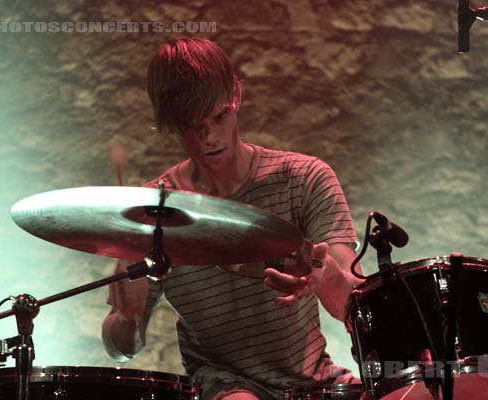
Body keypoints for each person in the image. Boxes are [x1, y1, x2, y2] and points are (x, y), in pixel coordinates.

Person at [102, 37, 363, 400]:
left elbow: (358, 309)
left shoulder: (304, 178)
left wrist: (326, 277)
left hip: (314, 384)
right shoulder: (155, 213)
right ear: (171, 123)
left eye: (219, 116)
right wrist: (128, 319)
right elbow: (120, 348)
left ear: (236, 95)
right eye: (192, 125)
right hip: (224, 386)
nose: (208, 137)